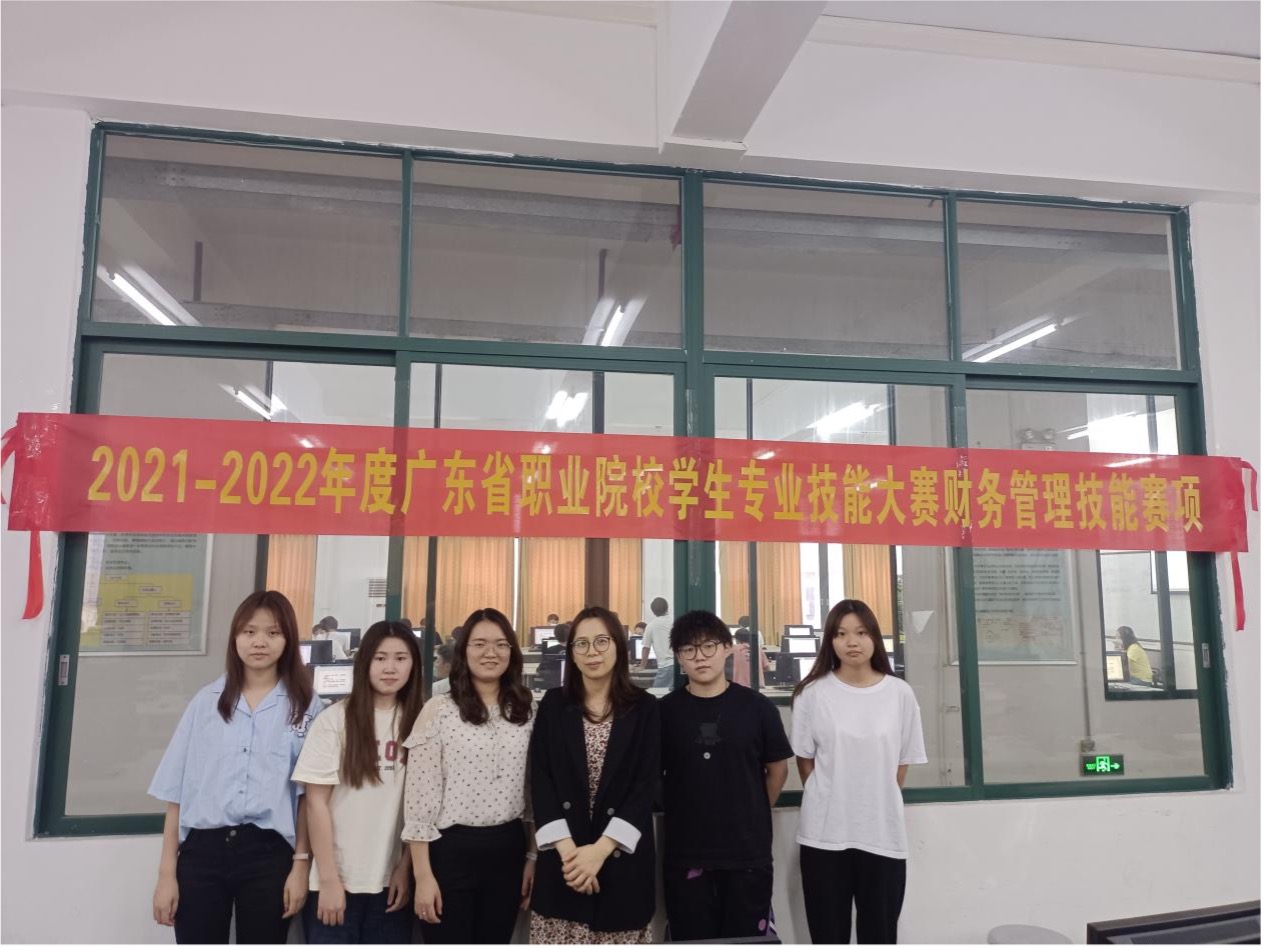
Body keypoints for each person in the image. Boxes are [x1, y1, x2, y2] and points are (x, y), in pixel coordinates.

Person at [149, 590, 323, 943]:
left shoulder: (306, 706)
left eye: (273, 633)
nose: (260, 642)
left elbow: (308, 796)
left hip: (270, 856)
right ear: (235, 638)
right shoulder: (205, 703)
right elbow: (176, 794)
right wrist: (167, 874)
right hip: (202, 853)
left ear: (288, 640)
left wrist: (301, 864)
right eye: (249, 631)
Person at [791, 599, 926, 945]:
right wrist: (830, 794)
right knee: (827, 935)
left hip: (882, 834)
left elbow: (901, 764)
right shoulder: (812, 694)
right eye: (841, 634)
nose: (852, 642)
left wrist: (873, 796)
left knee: (879, 934)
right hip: (824, 835)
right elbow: (805, 761)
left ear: (875, 638)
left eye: (861, 633)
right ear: (830, 641)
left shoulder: (899, 694)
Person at [403, 608, 536, 944]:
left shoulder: (527, 710)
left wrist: (533, 856)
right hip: (450, 852)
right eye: (479, 644)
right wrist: (423, 875)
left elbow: (534, 792)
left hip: (509, 848)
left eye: (500, 644)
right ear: (464, 651)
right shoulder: (439, 710)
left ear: (511, 651)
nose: (491, 652)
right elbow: (419, 798)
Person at [659, 611, 793, 942]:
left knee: (748, 940)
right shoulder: (664, 712)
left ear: (727, 648)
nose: (700, 656)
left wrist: (753, 810)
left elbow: (778, 769)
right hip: (686, 853)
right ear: (679, 657)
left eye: (708, 646)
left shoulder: (757, 707)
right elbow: (652, 775)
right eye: (689, 649)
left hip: (747, 853)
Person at [529, 607, 660, 944]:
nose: (592, 652)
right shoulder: (553, 705)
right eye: (582, 644)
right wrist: (572, 857)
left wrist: (599, 852)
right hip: (564, 863)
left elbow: (645, 785)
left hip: (620, 861)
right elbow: (541, 781)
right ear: (571, 653)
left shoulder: (645, 708)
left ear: (618, 647)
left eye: (602, 641)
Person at [294, 620, 425, 943]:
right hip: (335, 882)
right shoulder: (334, 720)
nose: (390, 668)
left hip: (391, 884)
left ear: (413, 665)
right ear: (364, 662)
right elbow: (315, 802)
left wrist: (405, 868)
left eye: (400, 658)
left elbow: (424, 806)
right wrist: (328, 879)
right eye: (380, 658)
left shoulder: (421, 723)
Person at [637, 597, 674, 688]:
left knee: (656, 693)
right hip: (680, 664)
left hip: (666, 666)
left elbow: (646, 648)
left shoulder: (651, 626)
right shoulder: (674, 621)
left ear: (653, 611)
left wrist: (642, 666)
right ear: (667, 607)